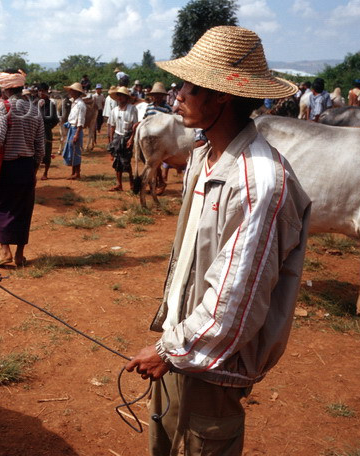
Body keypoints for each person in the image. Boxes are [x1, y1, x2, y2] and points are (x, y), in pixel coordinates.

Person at [124, 26, 311, 456]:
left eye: (188, 86)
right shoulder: (204, 156)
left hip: (212, 363)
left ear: (220, 95)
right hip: (182, 348)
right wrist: (170, 344)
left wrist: (167, 351)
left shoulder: (259, 182)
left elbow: (236, 303)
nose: (177, 96)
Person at [0, 69, 44, 268]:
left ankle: (5, 252)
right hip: (26, 167)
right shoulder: (35, 110)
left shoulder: (4, 107)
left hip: (6, 168)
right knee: (22, 211)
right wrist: (34, 168)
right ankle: (19, 256)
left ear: (6, 89)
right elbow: (40, 146)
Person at [106, 86, 138, 192]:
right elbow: (112, 126)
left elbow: (135, 126)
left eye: (122, 96)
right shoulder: (114, 110)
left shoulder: (132, 109)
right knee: (117, 162)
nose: (120, 98)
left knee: (126, 162)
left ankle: (132, 184)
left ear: (126, 97)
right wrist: (111, 140)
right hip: (117, 137)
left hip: (127, 137)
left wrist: (131, 139)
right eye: (118, 95)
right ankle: (119, 184)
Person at [62, 82, 86, 180]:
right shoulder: (74, 103)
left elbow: (80, 120)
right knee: (71, 149)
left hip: (76, 129)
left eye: (72, 91)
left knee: (76, 150)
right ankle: (73, 171)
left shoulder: (80, 104)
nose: (70, 92)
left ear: (76, 92)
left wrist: (77, 133)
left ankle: (77, 173)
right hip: (72, 128)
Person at [37, 83, 59, 180]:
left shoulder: (51, 105)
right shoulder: (35, 103)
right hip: (36, 131)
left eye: (43, 91)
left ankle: (45, 173)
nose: (41, 93)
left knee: (47, 151)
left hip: (46, 131)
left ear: (47, 92)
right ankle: (34, 172)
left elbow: (55, 120)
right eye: (40, 91)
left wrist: (47, 127)